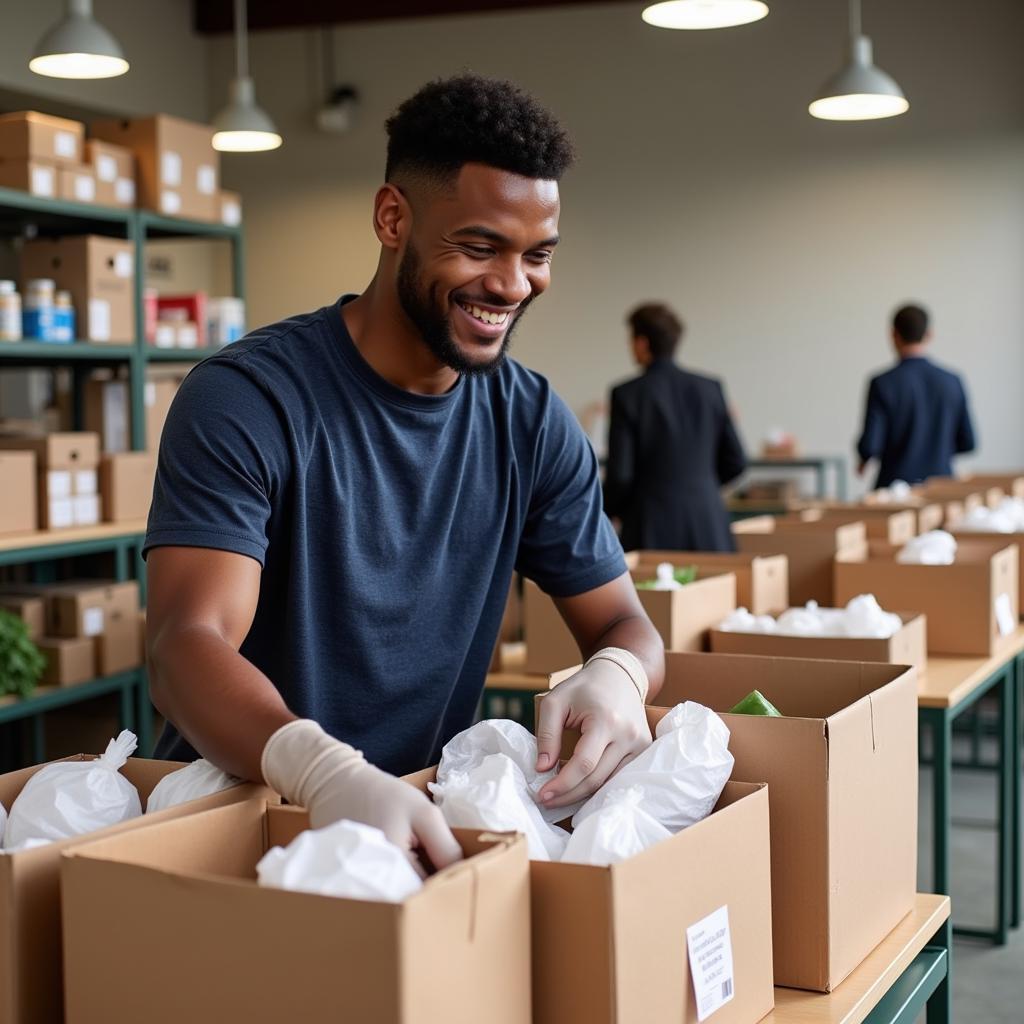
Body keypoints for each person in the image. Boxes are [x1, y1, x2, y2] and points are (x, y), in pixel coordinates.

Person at [143, 75, 664, 874]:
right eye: (481, 246)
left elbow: (625, 622)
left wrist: (620, 676)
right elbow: (186, 645)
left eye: (538, 255)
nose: (513, 285)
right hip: (233, 823)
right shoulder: (249, 399)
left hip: (415, 828)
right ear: (394, 219)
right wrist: (323, 771)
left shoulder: (530, 422)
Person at [603, 303, 747, 552]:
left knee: (651, 592)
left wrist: (606, 511)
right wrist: (702, 486)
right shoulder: (710, 389)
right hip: (709, 524)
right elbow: (736, 461)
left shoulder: (627, 395)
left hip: (650, 526)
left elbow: (620, 475)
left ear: (642, 343)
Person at [856, 303, 976, 487]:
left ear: (893, 334)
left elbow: (870, 445)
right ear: (929, 335)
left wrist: (863, 460)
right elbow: (968, 442)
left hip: (894, 490)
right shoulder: (952, 381)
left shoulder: (882, 383)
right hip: (942, 488)